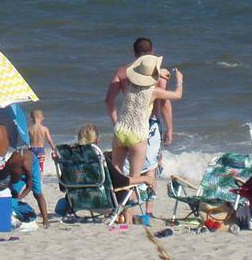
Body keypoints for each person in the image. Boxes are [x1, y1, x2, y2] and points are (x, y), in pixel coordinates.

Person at [110, 54, 183, 197]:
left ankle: (116, 205)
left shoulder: (129, 84)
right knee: (134, 178)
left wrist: (158, 72)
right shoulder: (153, 92)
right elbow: (177, 95)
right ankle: (129, 208)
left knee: (117, 172)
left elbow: (141, 75)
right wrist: (179, 80)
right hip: (137, 135)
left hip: (120, 130)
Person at [77, 123, 156, 225]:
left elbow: (63, 186)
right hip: (102, 203)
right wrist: (145, 179)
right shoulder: (99, 160)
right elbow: (122, 181)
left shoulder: (72, 159)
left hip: (80, 200)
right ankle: (128, 221)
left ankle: (128, 218)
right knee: (125, 191)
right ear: (97, 140)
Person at [107, 38, 175, 149]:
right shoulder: (159, 75)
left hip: (127, 122)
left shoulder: (122, 72)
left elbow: (109, 100)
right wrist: (169, 129)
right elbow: (164, 103)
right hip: (149, 122)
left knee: (129, 158)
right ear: (152, 52)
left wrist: (116, 123)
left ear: (134, 53)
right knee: (151, 158)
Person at [6, 148, 51, 226]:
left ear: (22, 172)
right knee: (13, 192)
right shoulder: (9, 164)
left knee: (37, 193)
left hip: (33, 165)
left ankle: (45, 220)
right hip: (19, 166)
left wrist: (20, 198)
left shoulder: (27, 167)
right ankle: (15, 216)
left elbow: (29, 187)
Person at [28, 109, 57, 173]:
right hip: (40, 150)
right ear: (42, 118)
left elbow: (26, 141)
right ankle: (41, 179)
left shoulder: (29, 129)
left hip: (32, 150)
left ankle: (33, 179)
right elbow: (49, 140)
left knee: (32, 168)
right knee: (41, 168)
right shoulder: (44, 129)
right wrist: (54, 150)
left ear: (31, 118)